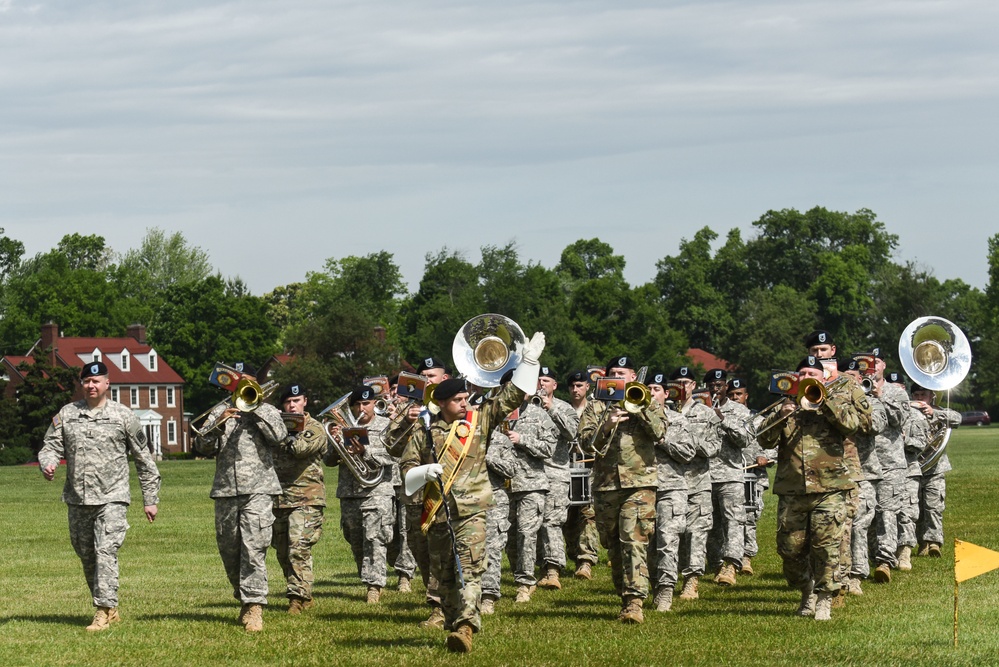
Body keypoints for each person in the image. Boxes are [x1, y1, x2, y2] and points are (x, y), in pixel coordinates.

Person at [391, 332, 546, 653]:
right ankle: (452, 619)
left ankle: (466, 626)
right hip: (437, 513)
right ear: (443, 403)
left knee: (471, 569)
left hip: (472, 510)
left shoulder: (479, 421)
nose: (465, 403)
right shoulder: (424, 432)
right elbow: (406, 472)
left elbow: (511, 397)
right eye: (458, 400)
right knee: (444, 575)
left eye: (465, 398)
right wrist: (422, 472)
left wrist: (529, 363)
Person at [38, 361, 161, 632]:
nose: (91, 385)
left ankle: (103, 611)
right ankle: (110, 606)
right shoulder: (67, 414)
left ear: (107, 384)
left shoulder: (123, 416)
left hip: (112, 497)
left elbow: (144, 460)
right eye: (87, 382)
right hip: (78, 498)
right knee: (87, 555)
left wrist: (150, 498)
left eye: (97, 381)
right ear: (81, 384)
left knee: (106, 551)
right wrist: (47, 463)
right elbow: (51, 446)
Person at [757, 356, 867, 621]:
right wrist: (782, 415)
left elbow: (853, 426)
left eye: (813, 374)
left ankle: (825, 600)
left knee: (826, 548)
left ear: (822, 378)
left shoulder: (835, 401)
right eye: (803, 373)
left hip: (830, 488)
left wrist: (824, 400)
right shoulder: (786, 406)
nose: (808, 377)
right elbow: (764, 439)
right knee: (790, 550)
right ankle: (807, 590)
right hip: (793, 490)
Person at [194, 365, 288, 632]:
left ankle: (254, 605)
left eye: (245, 382)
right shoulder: (220, 410)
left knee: (253, 548)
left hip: (259, 490)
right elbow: (202, 446)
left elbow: (280, 437)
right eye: (237, 383)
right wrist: (217, 422)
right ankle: (244, 599)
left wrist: (255, 408)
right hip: (225, 491)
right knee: (230, 550)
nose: (240, 387)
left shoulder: (267, 410)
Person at [579, 356, 666, 624]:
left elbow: (660, 432)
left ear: (633, 378)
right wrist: (607, 423)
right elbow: (585, 443)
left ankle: (634, 601)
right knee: (613, 545)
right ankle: (624, 593)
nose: (618, 377)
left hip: (639, 482)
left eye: (623, 373)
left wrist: (639, 409)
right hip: (606, 484)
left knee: (633, 539)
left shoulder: (647, 400)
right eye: (613, 373)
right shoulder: (596, 406)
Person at [329, 385, 397, 604]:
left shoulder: (386, 426)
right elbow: (328, 461)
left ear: (374, 404)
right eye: (357, 404)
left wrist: (364, 451)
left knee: (374, 537)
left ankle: (374, 586)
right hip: (349, 491)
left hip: (377, 490)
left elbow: (391, 456)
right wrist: (334, 442)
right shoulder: (342, 427)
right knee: (354, 537)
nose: (361, 408)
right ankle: (367, 577)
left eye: (365, 404)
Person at [271, 383, 328, 614]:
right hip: (279, 498)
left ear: (305, 401)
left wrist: (282, 433)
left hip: (307, 497)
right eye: (287, 402)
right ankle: (303, 592)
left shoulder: (315, 427)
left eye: (296, 400)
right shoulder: (275, 428)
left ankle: (296, 598)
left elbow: (299, 448)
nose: (292, 405)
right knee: (282, 551)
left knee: (298, 547)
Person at [502, 371, 558, 603]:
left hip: (531, 484)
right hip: (502, 485)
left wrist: (522, 439)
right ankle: (521, 575)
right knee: (509, 537)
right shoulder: (496, 414)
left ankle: (525, 583)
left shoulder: (539, 415)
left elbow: (549, 449)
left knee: (526, 534)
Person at [645, 371, 695, 612]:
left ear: (666, 394)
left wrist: (662, 441)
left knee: (667, 540)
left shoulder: (678, 420)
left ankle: (665, 590)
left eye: (656, 389)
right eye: (648, 389)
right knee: (645, 543)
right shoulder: (634, 422)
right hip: (642, 488)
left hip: (671, 488)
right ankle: (652, 584)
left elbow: (688, 453)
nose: (652, 394)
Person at [673, 366, 722, 601]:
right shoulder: (662, 412)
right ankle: (665, 578)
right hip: (669, 484)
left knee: (695, 534)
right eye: (677, 382)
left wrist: (686, 438)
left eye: (687, 382)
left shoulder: (706, 414)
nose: (682, 386)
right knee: (671, 535)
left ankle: (691, 581)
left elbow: (713, 448)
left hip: (697, 484)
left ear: (694, 385)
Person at [703, 368, 753, 587]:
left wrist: (723, 420)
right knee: (710, 525)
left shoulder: (739, 411)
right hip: (704, 476)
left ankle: (732, 564)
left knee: (733, 522)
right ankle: (716, 564)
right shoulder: (698, 410)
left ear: (726, 387)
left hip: (730, 474)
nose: (716, 389)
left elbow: (745, 439)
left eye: (720, 385)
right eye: (712, 386)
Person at [536, 366, 580, 592]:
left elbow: (573, 433)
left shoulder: (564, 407)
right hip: (529, 475)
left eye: (546, 380)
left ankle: (553, 570)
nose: (542, 384)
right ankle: (530, 569)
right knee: (528, 525)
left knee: (552, 522)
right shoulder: (526, 406)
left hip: (556, 473)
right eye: (538, 379)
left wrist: (551, 408)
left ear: (554, 385)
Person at [909, 383, 961, 558]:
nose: (919, 398)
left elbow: (957, 418)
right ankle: (922, 542)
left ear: (931, 396)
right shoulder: (908, 413)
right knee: (916, 508)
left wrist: (934, 413)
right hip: (913, 468)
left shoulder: (938, 411)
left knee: (933, 506)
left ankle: (934, 542)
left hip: (936, 468)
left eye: (922, 394)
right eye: (915, 394)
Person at [731, 377, 773, 576]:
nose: (735, 397)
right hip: (729, 475)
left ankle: (747, 556)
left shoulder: (757, 419)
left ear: (746, 396)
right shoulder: (724, 418)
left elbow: (774, 443)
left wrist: (765, 456)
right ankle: (729, 558)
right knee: (730, 518)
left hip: (753, 475)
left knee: (750, 516)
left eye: (738, 394)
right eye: (731, 395)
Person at [563, 370, 600, 579]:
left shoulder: (595, 410)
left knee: (588, 514)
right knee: (567, 518)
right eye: (572, 386)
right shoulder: (563, 409)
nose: (576, 389)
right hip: (566, 468)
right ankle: (574, 554)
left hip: (591, 468)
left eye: (580, 385)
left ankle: (586, 560)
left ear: (588, 387)